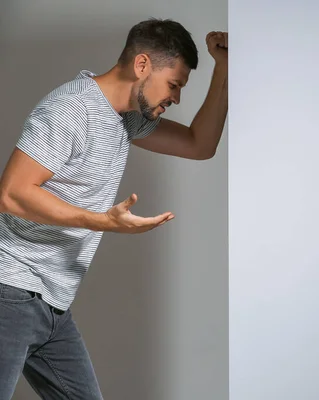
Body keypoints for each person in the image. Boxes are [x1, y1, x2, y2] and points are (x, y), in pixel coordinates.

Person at [0, 18, 227, 399]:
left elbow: (199, 144)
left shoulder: (127, 120)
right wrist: (101, 221)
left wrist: (223, 68)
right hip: (11, 291)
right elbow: (12, 193)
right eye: (173, 85)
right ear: (142, 66)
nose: (176, 98)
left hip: (53, 303)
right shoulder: (70, 109)